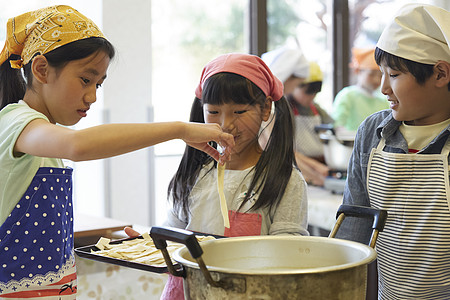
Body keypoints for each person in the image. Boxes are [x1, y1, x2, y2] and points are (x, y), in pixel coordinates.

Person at [0, 5, 234, 298]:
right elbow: (78, 145)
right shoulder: (14, 122)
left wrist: (116, 241)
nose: (93, 96)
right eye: (86, 79)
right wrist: (179, 129)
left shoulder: (43, 136)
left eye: (98, 84)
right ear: (42, 69)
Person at [162, 53, 309, 299]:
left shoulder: (285, 181)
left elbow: (287, 253)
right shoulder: (195, 174)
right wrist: (146, 241)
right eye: (213, 111)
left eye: (239, 111)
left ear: (265, 109)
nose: (225, 124)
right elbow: (173, 234)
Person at [335, 3, 450, 299]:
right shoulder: (372, 134)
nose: (384, 88)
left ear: (440, 74)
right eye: (381, 74)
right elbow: (353, 230)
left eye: (395, 75)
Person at [262, 48, 330, 186]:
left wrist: (316, 168)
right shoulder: (267, 106)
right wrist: (312, 175)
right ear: (288, 77)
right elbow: (274, 151)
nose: (293, 89)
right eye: (297, 84)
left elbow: (285, 151)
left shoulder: (273, 103)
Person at [288, 62, 334, 185]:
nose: (311, 98)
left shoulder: (316, 109)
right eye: (307, 93)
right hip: (299, 162)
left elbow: (334, 127)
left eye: (314, 94)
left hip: (321, 161)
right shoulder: (287, 110)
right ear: (294, 85)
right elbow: (290, 153)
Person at [332, 47, 388, 131]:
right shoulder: (347, 96)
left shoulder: (384, 100)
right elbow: (338, 126)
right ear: (357, 71)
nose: (377, 80)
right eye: (371, 74)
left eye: (381, 76)